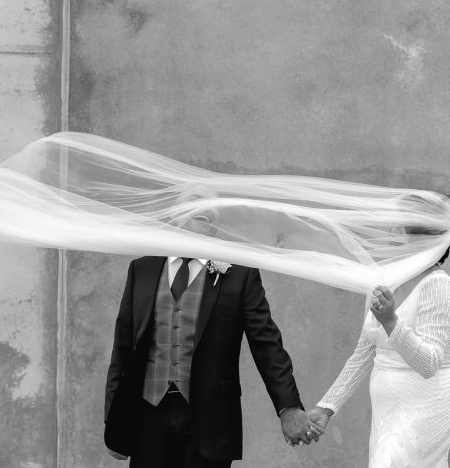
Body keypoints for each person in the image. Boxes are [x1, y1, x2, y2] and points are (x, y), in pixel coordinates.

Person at [104, 186, 321, 467]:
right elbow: (122, 351)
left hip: (211, 422)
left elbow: (267, 346)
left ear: (214, 228)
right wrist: (114, 419)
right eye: (193, 207)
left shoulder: (239, 274)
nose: (204, 214)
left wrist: (288, 407)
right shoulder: (141, 270)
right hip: (147, 417)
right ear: (174, 217)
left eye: (210, 213)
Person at [307, 245, 450, 467]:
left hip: (425, 404)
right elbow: (363, 355)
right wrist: (327, 406)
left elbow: (429, 364)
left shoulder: (439, 285)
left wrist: (391, 321)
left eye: (400, 232)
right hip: (386, 406)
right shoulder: (382, 282)